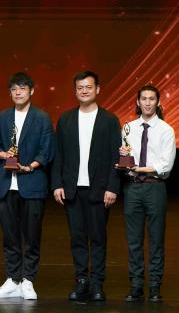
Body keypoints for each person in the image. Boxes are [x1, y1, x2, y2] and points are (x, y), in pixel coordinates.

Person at [51, 71, 122, 302]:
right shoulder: (66, 119)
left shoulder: (109, 120)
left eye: (88, 87)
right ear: (75, 91)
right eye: (80, 87)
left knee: (98, 238)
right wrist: (57, 184)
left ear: (97, 89)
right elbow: (58, 154)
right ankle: (81, 280)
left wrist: (112, 187)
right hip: (72, 189)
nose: (84, 91)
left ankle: (97, 283)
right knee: (78, 238)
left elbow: (117, 156)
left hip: (99, 190)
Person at [0, 71, 55, 300]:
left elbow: (47, 151)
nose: (18, 92)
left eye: (22, 88)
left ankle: (28, 280)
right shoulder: (2, 118)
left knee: (32, 236)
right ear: (10, 93)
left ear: (31, 91)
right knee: (10, 236)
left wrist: (31, 166)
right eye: (14, 89)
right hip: (6, 185)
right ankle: (12, 278)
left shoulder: (42, 118)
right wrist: (3, 154)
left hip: (32, 183)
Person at [121, 84, 176, 304]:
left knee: (156, 240)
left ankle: (154, 286)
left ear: (158, 102)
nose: (147, 102)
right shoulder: (128, 128)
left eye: (152, 99)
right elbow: (125, 159)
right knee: (133, 241)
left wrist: (140, 168)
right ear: (138, 102)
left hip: (155, 188)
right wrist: (124, 159)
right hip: (133, 188)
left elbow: (166, 165)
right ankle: (136, 286)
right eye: (143, 98)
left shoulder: (166, 130)